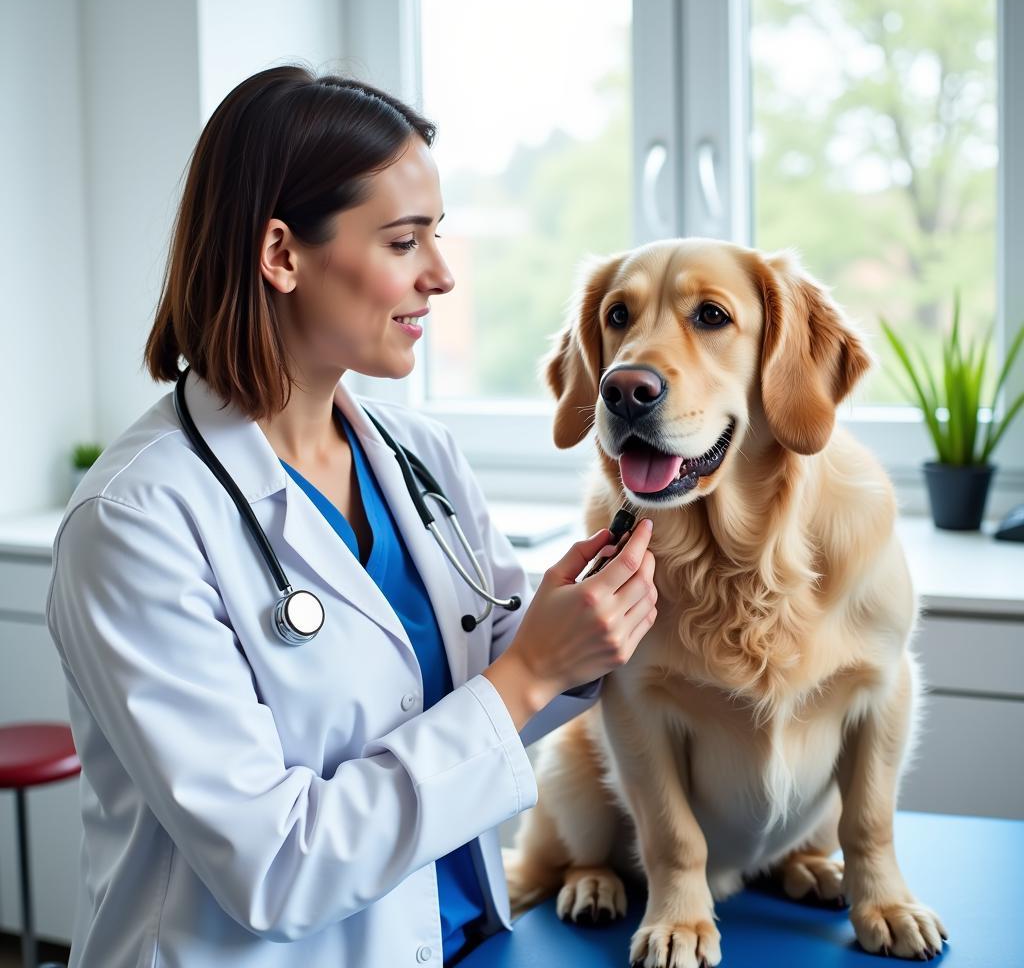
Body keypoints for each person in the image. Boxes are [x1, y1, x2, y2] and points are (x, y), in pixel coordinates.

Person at [46, 65, 657, 968]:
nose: (443, 275)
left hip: (461, 939)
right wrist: (528, 674)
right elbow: (276, 865)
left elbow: (468, 687)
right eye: (405, 242)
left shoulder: (419, 459)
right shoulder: (137, 521)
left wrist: (573, 634)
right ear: (282, 254)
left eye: (437, 236)